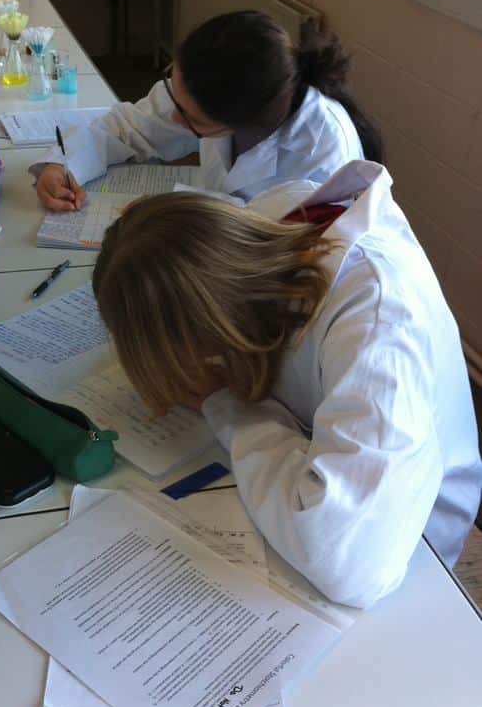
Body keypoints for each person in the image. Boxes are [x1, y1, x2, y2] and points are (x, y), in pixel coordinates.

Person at [91, 160, 482, 609]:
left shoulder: (375, 321)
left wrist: (228, 407)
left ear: (209, 328)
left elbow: (350, 563)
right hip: (322, 458)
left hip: (408, 543)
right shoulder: (264, 233)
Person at [33, 11, 382, 212]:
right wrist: (62, 166)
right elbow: (128, 128)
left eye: (190, 120)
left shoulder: (322, 158)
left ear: (241, 123)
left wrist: (175, 215)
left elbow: (274, 253)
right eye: (174, 92)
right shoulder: (218, 83)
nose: (172, 118)